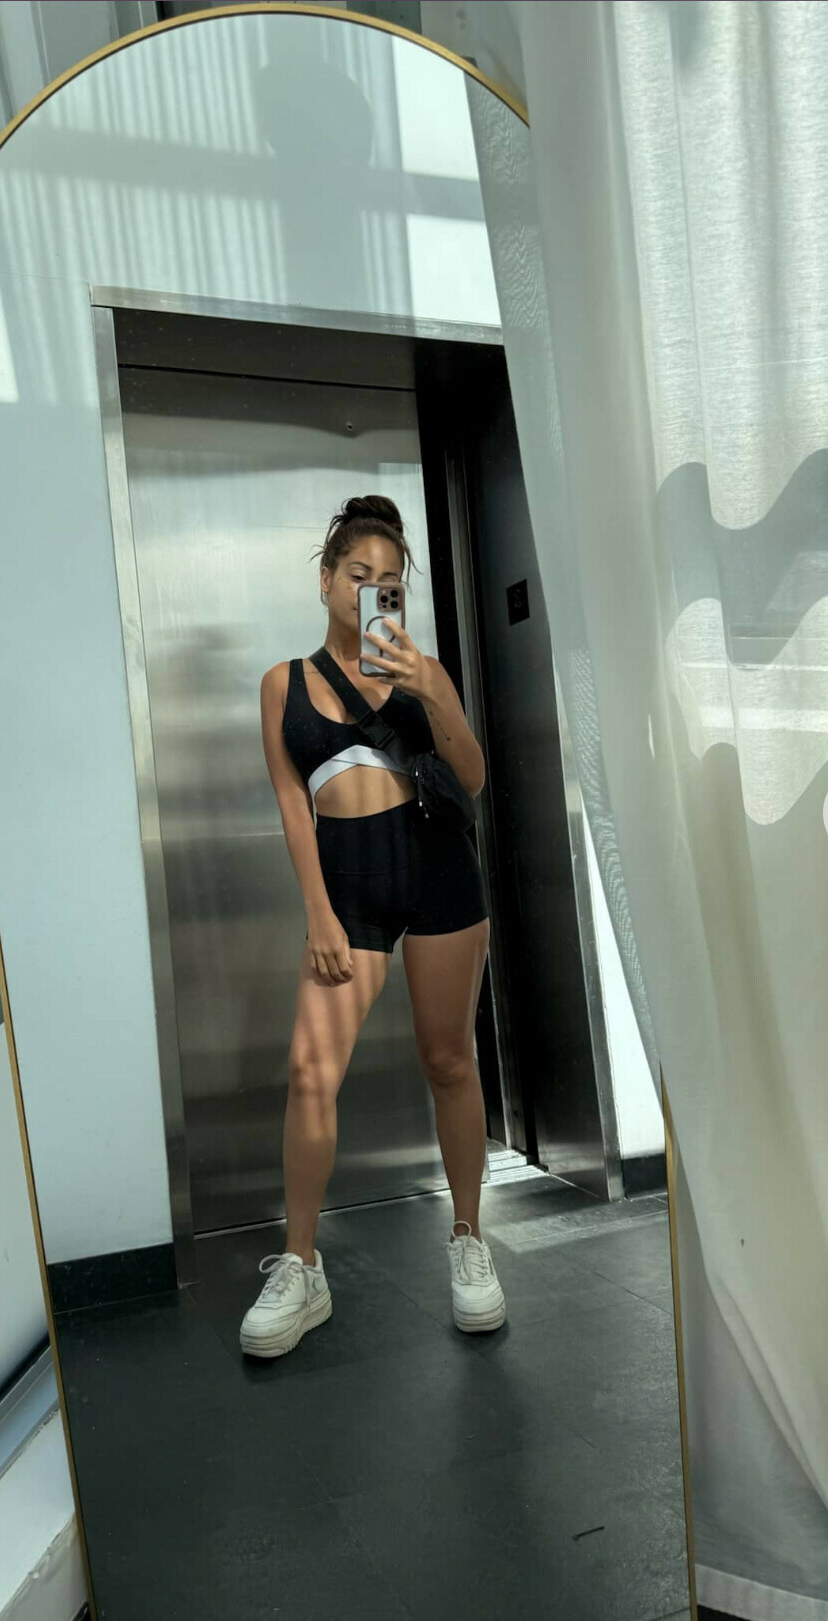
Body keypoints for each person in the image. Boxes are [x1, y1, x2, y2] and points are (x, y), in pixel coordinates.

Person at [241, 494, 507, 1358]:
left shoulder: (423, 671)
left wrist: (434, 692)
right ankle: (301, 1264)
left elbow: (472, 777)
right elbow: (294, 807)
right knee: (309, 1072)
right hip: (348, 891)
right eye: (358, 574)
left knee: (449, 1059)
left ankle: (468, 1237)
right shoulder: (283, 684)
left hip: (437, 870)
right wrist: (317, 910)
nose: (371, 590)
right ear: (327, 582)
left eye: (388, 580)